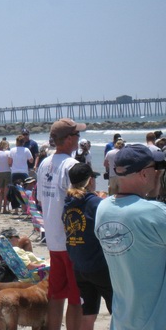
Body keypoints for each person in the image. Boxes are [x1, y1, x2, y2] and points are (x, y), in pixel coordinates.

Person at [95, 144, 166, 329]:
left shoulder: (103, 208)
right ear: (144, 173)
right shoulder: (155, 214)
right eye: (155, 169)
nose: (158, 172)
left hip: (122, 320)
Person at [36, 118, 86, 330]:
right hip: (71, 240)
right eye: (77, 135)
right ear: (67, 139)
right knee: (77, 299)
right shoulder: (72, 165)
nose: (79, 139)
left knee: (56, 294)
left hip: (53, 238)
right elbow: (81, 201)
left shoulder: (45, 163)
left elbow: (40, 199)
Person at [63, 163, 112, 330]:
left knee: (88, 313)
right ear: (91, 180)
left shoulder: (68, 203)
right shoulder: (96, 203)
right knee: (119, 311)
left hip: (79, 266)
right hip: (99, 265)